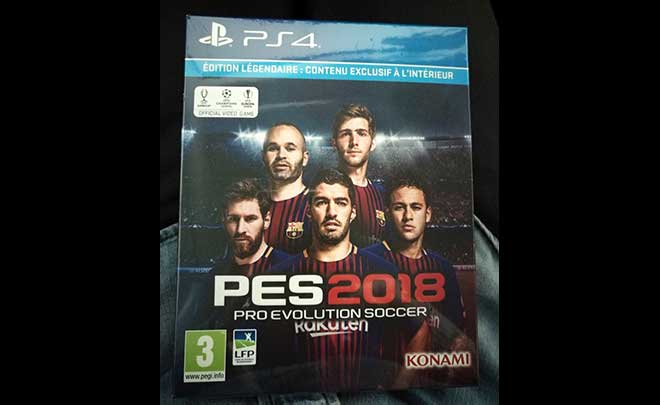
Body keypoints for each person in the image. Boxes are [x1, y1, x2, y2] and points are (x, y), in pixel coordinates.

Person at [269, 168, 429, 393]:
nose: (331, 212)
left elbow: (420, 329)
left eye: (341, 202)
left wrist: (399, 388)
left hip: (365, 395)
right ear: (308, 211)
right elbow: (247, 340)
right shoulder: (280, 274)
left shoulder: (380, 270)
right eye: (321, 202)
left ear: (353, 212)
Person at [173, 178, 291, 397]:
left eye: (250, 219)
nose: (240, 229)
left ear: (266, 220)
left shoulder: (292, 269)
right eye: (233, 219)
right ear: (223, 220)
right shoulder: (213, 278)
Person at [364, 176, 468, 386]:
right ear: (387, 213)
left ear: (427, 214)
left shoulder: (443, 267)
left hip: (433, 385)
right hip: (380, 386)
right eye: (399, 207)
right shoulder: (365, 260)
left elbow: (456, 332)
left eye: (416, 207)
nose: (408, 216)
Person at [331, 104, 387, 247]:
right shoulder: (320, 191)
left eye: (361, 133)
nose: (354, 142)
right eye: (345, 134)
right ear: (334, 143)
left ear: (372, 143)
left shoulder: (382, 194)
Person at [262, 122, 312, 254]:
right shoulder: (252, 205)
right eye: (273, 148)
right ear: (263, 156)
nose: (281, 155)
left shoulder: (318, 204)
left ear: (305, 158)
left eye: (290, 148)